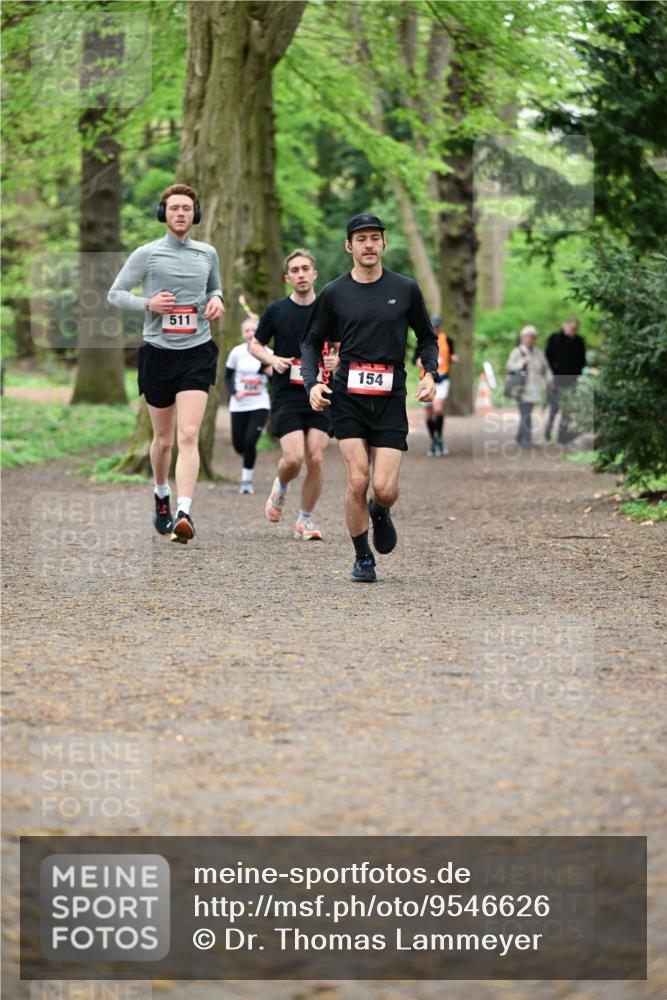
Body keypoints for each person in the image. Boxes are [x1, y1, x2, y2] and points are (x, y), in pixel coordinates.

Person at [301, 213, 438, 583]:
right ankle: (363, 557)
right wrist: (312, 383)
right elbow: (311, 343)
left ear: (384, 243)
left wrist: (430, 373)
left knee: (385, 489)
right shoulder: (334, 292)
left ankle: (380, 510)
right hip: (348, 396)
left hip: (390, 395)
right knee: (358, 480)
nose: (368, 244)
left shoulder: (405, 289)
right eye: (361, 239)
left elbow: (427, 337)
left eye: (374, 238)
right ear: (349, 246)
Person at [108, 183, 224, 544]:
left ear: (195, 214)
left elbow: (215, 289)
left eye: (187, 208)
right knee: (162, 441)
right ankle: (162, 493)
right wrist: (148, 304)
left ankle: (184, 513)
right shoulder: (147, 254)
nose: (180, 214)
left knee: (187, 434)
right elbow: (115, 294)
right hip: (158, 353)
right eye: (174, 208)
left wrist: (217, 300)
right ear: (164, 213)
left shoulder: (208, 253)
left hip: (197, 352)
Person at [249, 249, 336, 541]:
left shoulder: (328, 310)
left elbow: (341, 347)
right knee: (293, 458)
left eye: (305, 269)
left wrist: (336, 360)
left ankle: (304, 520)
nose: (301, 274)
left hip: (321, 392)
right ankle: (281, 487)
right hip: (287, 394)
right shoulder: (276, 310)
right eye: (295, 271)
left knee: (316, 458)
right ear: (288, 278)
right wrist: (272, 359)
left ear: (314, 274)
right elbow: (255, 345)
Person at [224, 316, 271, 494]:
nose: (250, 333)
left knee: (250, 441)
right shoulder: (236, 352)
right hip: (239, 404)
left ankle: (246, 481)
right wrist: (235, 392)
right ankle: (248, 458)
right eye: (247, 331)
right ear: (243, 333)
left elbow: (275, 378)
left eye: (254, 330)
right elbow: (227, 377)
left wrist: (268, 371)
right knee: (239, 445)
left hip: (260, 402)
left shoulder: (268, 352)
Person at [413, 315, 458, 456]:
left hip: (442, 380)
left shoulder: (446, 340)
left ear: (440, 327)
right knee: (428, 413)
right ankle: (434, 440)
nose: (435, 329)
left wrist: (453, 358)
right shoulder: (422, 340)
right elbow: (415, 359)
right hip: (425, 380)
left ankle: (439, 438)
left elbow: (452, 355)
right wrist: (418, 362)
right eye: (433, 327)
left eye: (437, 327)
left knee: (438, 408)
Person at [506, 325, 551, 448]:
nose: (530, 339)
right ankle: (527, 440)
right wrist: (521, 363)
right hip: (520, 388)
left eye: (532, 337)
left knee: (526, 413)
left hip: (534, 388)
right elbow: (509, 367)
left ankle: (520, 437)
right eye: (527, 337)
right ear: (523, 338)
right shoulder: (517, 352)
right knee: (526, 413)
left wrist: (549, 381)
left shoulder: (538, 353)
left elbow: (545, 369)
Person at [544, 317, 586, 443]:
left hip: (571, 380)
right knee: (554, 407)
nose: (574, 330)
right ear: (565, 326)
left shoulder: (579, 341)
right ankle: (547, 432)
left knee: (567, 409)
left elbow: (582, 361)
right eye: (572, 328)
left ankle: (561, 436)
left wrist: (577, 374)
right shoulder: (554, 338)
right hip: (555, 379)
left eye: (576, 328)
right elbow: (547, 359)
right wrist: (550, 377)